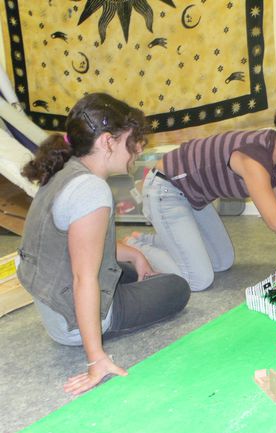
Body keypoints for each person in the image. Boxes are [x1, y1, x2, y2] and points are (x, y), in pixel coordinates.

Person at [17, 93, 191, 394]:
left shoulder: (65, 169)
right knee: (177, 286)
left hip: (53, 300)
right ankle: (96, 333)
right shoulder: (92, 190)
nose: (135, 150)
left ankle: (129, 273)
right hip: (70, 319)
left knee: (128, 269)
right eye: (130, 141)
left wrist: (135, 254)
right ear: (108, 141)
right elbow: (83, 278)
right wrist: (95, 358)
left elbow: (78, 242)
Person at [125, 97, 276, 291]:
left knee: (222, 262)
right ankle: (136, 246)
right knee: (198, 279)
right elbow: (275, 221)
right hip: (166, 190)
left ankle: (159, 240)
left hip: (195, 198)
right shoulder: (254, 158)